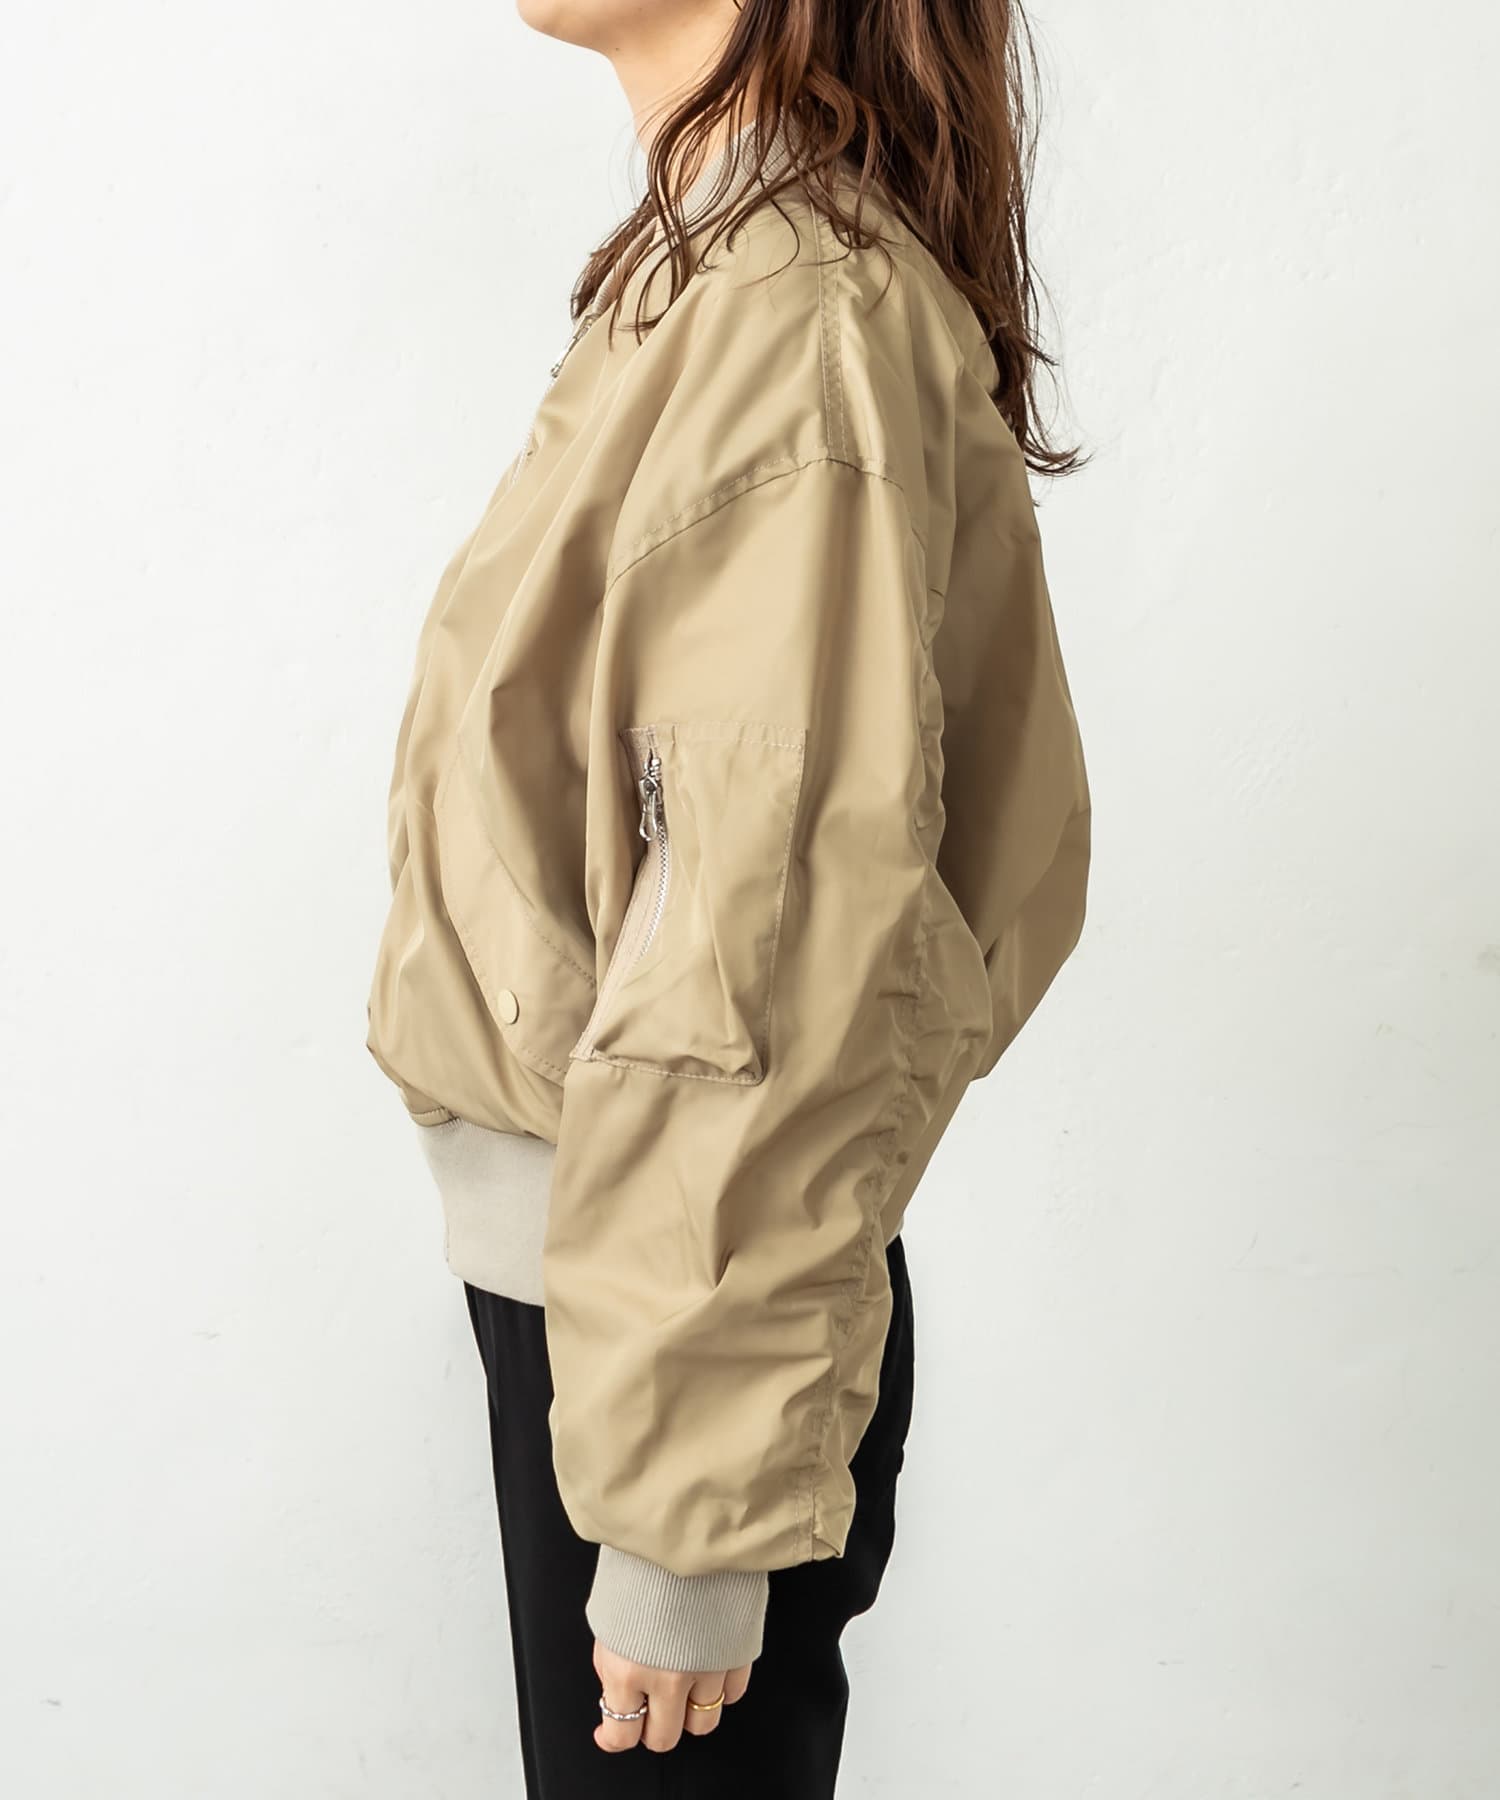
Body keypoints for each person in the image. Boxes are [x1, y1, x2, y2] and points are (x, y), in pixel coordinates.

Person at [364, 2, 1092, 1792]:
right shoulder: (721, 271)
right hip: (629, 1296)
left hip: (668, 1325)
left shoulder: (789, 309)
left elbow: (777, 952)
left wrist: (689, 1525)